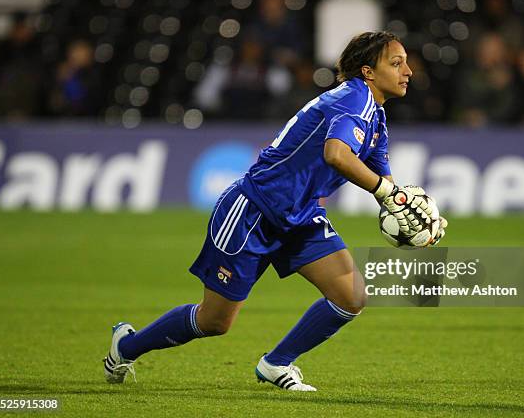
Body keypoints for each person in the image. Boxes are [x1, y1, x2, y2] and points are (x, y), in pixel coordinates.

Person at [103, 31, 446, 391]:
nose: (408, 70)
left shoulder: (375, 116)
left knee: (351, 296)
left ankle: (276, 363)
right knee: (215, 322)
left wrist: (414, 220)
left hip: (301, 218)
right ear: (368, 72)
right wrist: (389, 193)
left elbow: (386, 188)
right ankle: (126, 346)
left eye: (406, 62)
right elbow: (337, 155)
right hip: (254, 212)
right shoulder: (353, 99)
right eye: (396, 63)